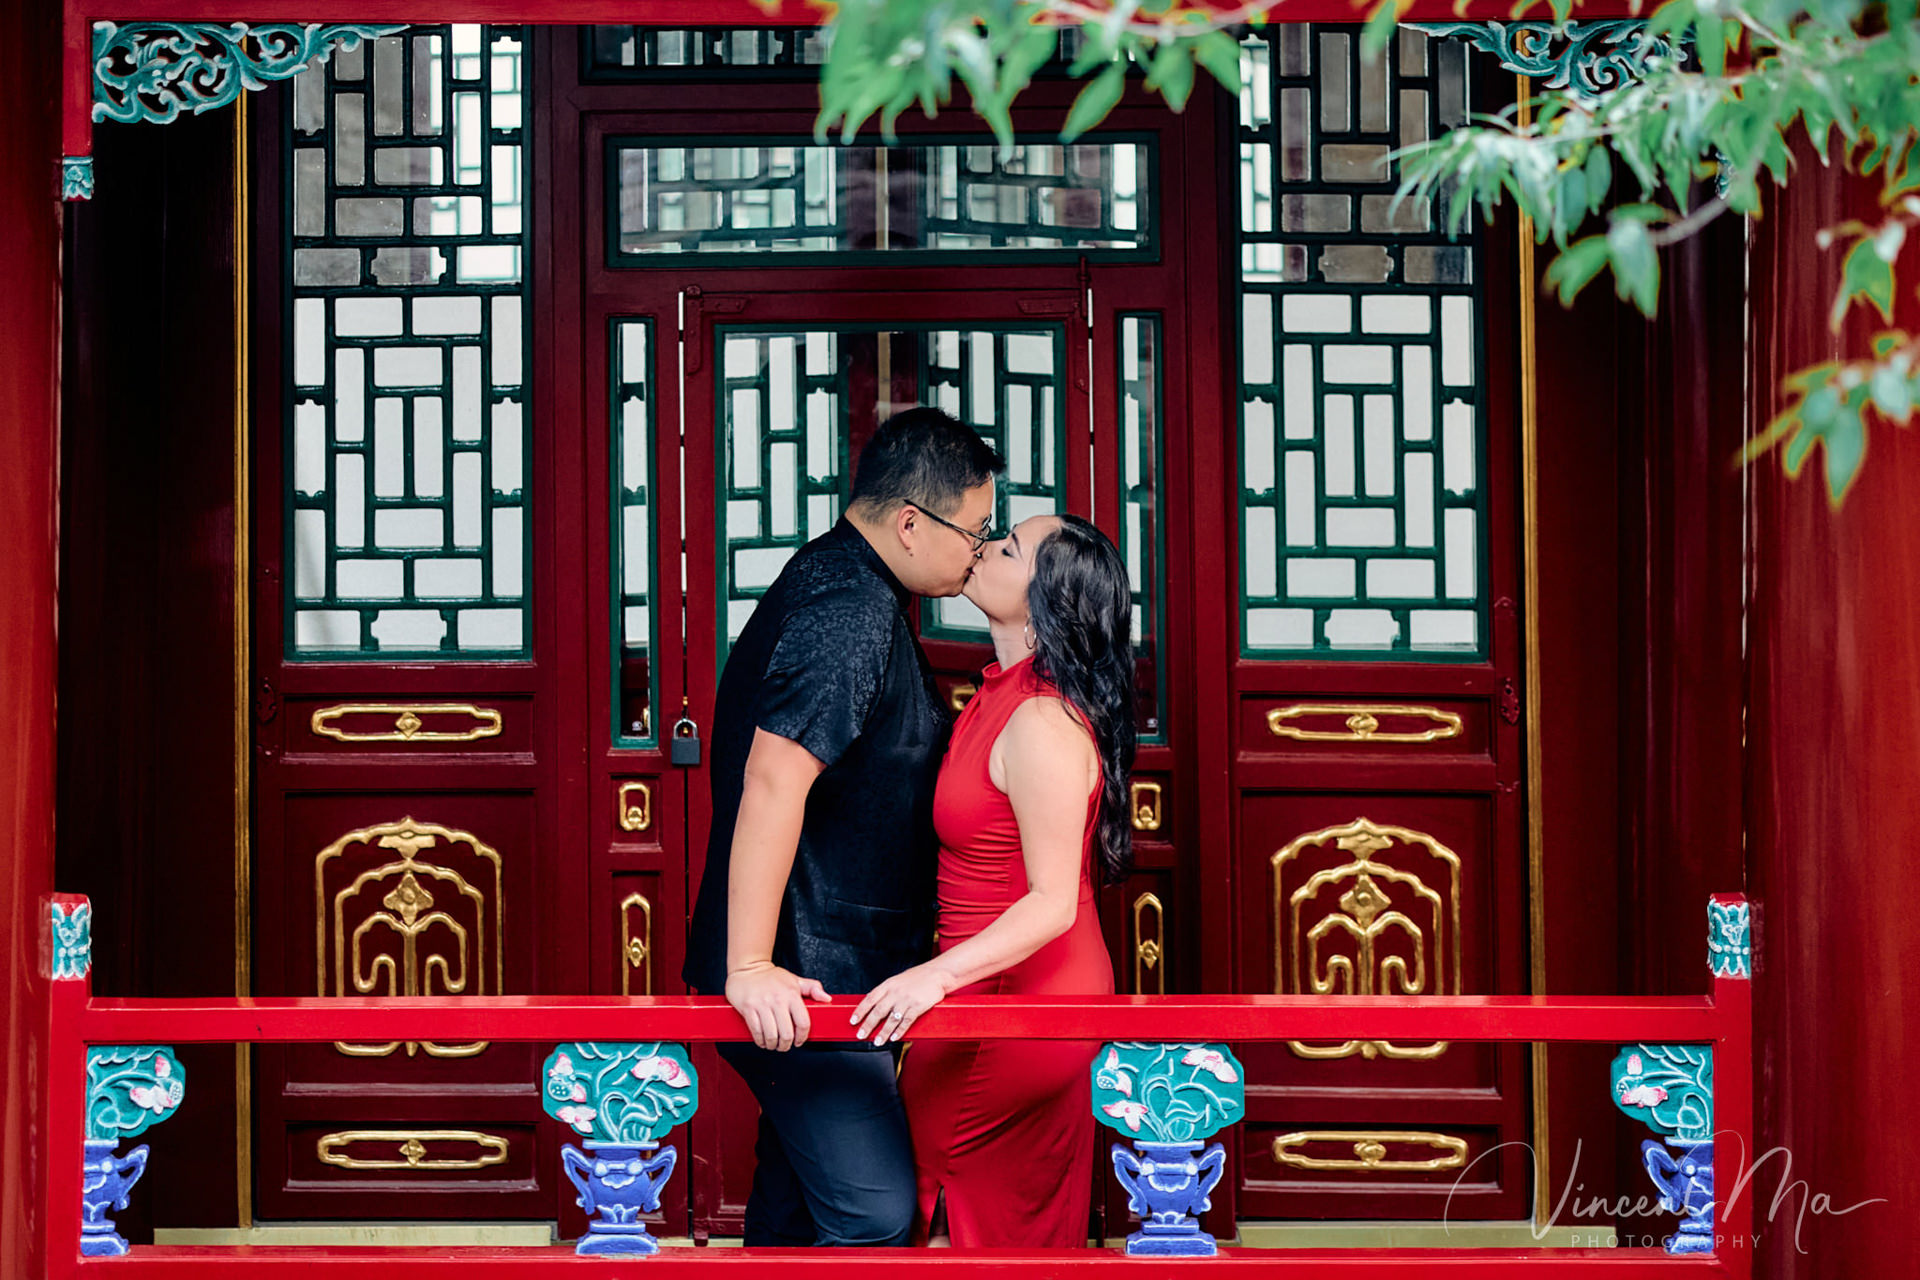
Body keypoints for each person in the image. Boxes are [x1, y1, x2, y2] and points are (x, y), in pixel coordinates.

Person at [682, 407, 1005, 1248]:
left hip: (832, 973)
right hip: (800, 980)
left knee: (796, 1209)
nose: (978, 551)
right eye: (975, 531)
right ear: (910, 522)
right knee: (874, 1215)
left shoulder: (856, 587)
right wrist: (749, 965)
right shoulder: (850, 603)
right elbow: (773, 777)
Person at [851, 513, 1136, 1248]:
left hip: (1019, 996)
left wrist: (931, 980)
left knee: (956, 1203)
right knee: (979, 1204)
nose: (985, 547)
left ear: (1047, 600)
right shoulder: (1000, 692)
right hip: (988, 982)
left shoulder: (1040, 719)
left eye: (1008, 548)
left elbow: (1049, 903)